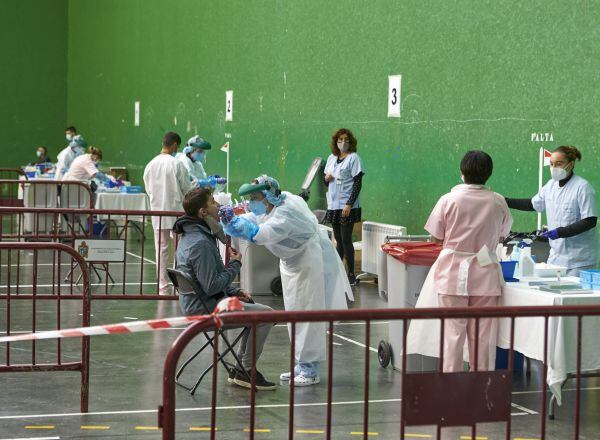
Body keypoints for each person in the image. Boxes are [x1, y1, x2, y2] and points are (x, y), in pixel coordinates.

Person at [223, 175, 353, 386]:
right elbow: (256, 218)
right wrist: (235, 217)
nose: (251, 202)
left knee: (308, 314)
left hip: (308, 263)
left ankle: (310, 370)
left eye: (255, 197)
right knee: (295, 314)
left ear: (267, 196)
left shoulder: (286, 212)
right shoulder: (275, 204)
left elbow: (259, 233)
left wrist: (235, 225)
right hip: (293, 264)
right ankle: (301, 365)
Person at [174, 188, 276, 390]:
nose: (218, 206)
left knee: (257, 314)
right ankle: (246, 370)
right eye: (213, 202)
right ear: (203, 212)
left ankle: (242, 368)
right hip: (206, 310)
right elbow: (211, 286)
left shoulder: (191, 236)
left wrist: (234, 292)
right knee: (267, 315)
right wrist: (236, 265)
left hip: (200, 303)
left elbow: (208, 280)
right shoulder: (200, 243)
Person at [425, 151, 512, 373]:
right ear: (489, 173)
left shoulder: (448, 199)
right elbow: (503, 231)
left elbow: (436, 236)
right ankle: (481, 389)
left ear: (462, 173)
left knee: (452, 336)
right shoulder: (498, 201)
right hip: (485, 274)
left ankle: (451, 389)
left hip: (452, 274)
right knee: (483, 338)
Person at [505, 146, 597, 276]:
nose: (554, 168)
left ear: (570, 165)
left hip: (579, 260)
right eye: (552, 164)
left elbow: (590, 221)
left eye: (559, 164)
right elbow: (533, 204)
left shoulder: (583, 188)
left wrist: (561, 232)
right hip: (555, 258)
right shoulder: (550, 185)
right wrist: (505, 201)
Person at [143, 132, 193, 295]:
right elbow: (187, 189)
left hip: (158, 212)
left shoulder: (150, 165)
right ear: (175, 145)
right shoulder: (176, 164)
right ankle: (180, 288)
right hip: (177, 213)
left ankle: (162, 288)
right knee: (179, 249)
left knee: (161, 249)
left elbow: (148, 190)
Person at [324, 128, 365, 286]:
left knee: (346, 239)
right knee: (338, 240)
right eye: (340, 140)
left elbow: (358, 183)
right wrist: (326, 178)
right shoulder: (331, 158)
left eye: (346, 140)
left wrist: (349, 203)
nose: (343, 143)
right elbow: (325, 182)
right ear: (335, 142)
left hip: (347, 206)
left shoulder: (354, 158)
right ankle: (337, 271)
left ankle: (351, 274)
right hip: (333, 205)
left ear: (351, 142)